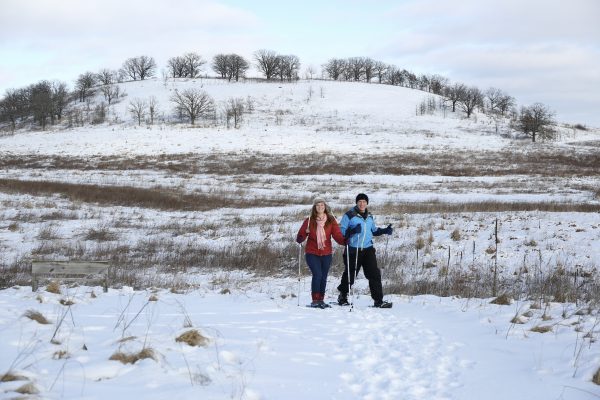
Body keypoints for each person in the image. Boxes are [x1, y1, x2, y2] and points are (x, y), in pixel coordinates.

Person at [337, 193, 393, 308]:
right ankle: (343, 296)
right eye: (360, 202)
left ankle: (378, 300)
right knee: (350, 274)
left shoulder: (369, 216)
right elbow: (341, 232)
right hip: (353, 249)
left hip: (368, 249)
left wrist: (384, 230)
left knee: (374, 274)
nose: (362, 204)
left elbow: (373, 230)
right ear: (356, 203)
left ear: (367, 203)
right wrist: (352, 231)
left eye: (364, 202)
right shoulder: (349, 215)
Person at [296, 197, 346, 308]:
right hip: (312, 252)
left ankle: (321, 300)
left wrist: (345, 241)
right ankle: (315, 300)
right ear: (314, 207)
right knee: (317, 275)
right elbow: (300, 237)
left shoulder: (331, 220)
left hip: (326, 253)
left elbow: (337, 235)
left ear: (325, 207)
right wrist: (304, 233)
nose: (320, 207)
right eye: (317, 205)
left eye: (322, 205)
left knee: (323, 276)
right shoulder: (309, 220)